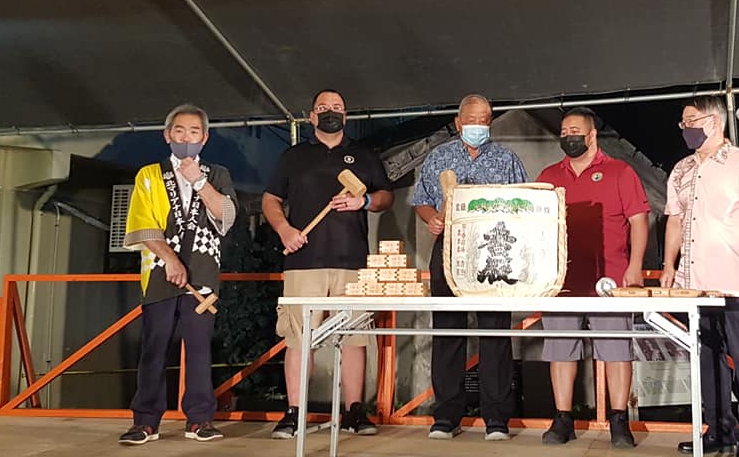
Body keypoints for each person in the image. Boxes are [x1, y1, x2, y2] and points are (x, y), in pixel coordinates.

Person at [263, 89, 393, 439]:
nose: (330, 112)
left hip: (353, 261)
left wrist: (363, 201)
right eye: (323, 108)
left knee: (354, 338)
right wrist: (284, 229)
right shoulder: (293, 157)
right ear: (311, 116)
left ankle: (354, 411)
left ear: (346, 116)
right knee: (298, 338)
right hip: (303, 261)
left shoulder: (364, 155)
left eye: (337, 108)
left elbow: (385, 197)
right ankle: (294, 413)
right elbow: (271, 198)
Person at [662, 96, 739, 457]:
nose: (686, 129)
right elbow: (674, 218)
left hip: (735, 279)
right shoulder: (681, 169)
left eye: (691, 121)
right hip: (695, 283)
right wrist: (668, 265)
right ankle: (718, 430)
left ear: (714, 122)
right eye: (682, 123)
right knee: (706, 360)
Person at [411, 94, 529, 441]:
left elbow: (524, 199)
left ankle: (497, 418)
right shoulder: (439, 157)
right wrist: (432, 218)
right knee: (447, 330)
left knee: (495, 333)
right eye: (473, 119)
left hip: (495, 251)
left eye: (486, 119)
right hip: (450, 249)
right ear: (459, 122)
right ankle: (446, 415)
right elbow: (421, 201)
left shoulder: (506, 158)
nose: (480, 125)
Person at [118, 104, 238, 446]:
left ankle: (200, 419)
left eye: (194, 132)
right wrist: (170, 259)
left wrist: (198, 180)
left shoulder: (217, 174)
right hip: (159, 271)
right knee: (154, 346)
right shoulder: (149, 175)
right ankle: (145, 421)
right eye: (180, 131)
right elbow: (142, 225)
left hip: (202, 271)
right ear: (167, 134)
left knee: (200, 347)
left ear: (205, 138)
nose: (187, 138)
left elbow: (226, 216)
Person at [535, 107, 650, 449]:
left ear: (591, 135)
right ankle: (562, 418)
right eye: (563, 131)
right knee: (560, 349)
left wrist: (636, 267)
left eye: (574, 130)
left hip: (611, 278)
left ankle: (618, 420)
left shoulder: (620, 171)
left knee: (616, 349)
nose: (567, 136)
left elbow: (639, 220)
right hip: (560, 280)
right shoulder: (548, 175)